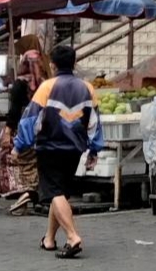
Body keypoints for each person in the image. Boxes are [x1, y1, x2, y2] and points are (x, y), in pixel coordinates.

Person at [14, 44, 104, 259]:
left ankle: (73, 236)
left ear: (52, 65)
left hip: (49, 147)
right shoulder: (87, 88)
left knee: (53, 191)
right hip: (74, 149)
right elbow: (94, 123)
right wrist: (94, 149)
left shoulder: (47, 87)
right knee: (60, 192)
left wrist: (19, 145)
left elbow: (30, 120)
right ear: (74, 63)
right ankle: (49, 239)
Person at [0, 42, 51, 214]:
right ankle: (31, 194)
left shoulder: (20, 84)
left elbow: (14, 110)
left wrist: (7, 131)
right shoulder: (46, 83)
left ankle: (24, 193)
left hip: (22, 129)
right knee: (34, 164)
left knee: (15, 162)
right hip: (42, 129)